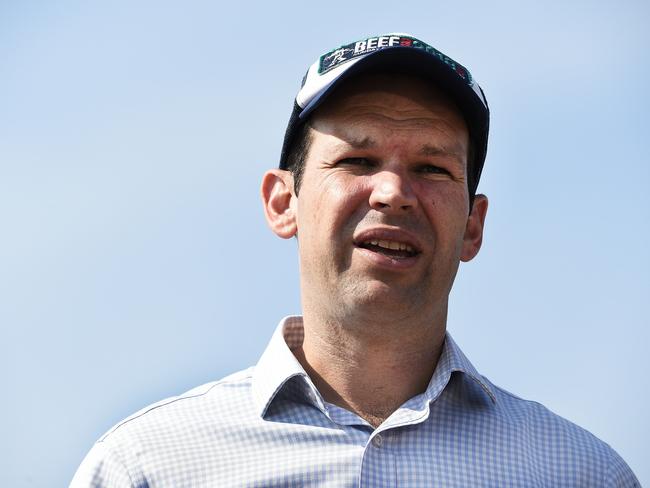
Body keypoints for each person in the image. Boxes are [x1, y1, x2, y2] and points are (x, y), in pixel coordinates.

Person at [71, 33, 639, 487]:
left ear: (473, 225)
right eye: (358, 160)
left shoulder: (581, 474)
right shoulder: (149, 467)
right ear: (282, 202)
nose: (393, 192)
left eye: (433, 168)